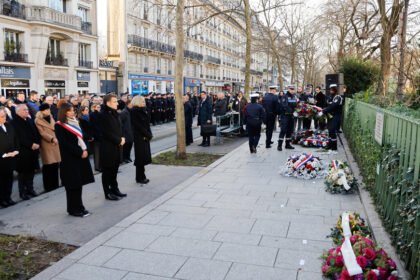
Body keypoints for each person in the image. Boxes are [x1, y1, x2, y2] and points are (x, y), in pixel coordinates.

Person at [55, 103, 93, 217]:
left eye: (73, 111)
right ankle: (73, 209)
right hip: (69, 159)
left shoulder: (76, 122)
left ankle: (80, 206)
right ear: (64, 112)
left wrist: (85, 149)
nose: (73, 113)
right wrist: (80, 152)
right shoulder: (60, 125)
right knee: (72, 185)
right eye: (70, 111)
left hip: (80, 158)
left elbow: (81, 138)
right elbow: (64, 144)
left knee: (79, 184)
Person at [98, 94, 127, 200]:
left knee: (114, 170)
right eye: (115, 101)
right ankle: (108, 192)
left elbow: (120, 127)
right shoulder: (103, 115)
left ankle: (115, 189)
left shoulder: (115, 114)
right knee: (107, 171)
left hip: (117, 146)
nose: (117, 103)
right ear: (108, 103)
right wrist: (119, 140)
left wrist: (123, 137)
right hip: (107, 147)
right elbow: (106, 132)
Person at [12, 104, 40, 200]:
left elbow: (36, 133)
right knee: (23, 173)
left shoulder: (29, 120)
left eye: (27, 109)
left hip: (33, 151)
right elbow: (19, 137)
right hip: (23, 152)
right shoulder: (14, 122)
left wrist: (37, 143)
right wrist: (30, 144)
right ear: (18, 111)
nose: (27, 111)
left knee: (31, 172)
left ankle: (30, 190)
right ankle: (22, 192)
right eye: (24, 110)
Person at [35, 104, 61, 192]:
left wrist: (57, 137)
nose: (48, 111)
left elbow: (55, 127)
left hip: (55, 142)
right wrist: (52, 138)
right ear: (42, 111)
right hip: (47, 143)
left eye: (48, 109)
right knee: (48, 165)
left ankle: (55, 184)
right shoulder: (38, 120)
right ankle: (48, 186)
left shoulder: (51, 117)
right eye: (46, 110)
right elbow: (41, 133)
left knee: (55, 164)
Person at [130, 95, 152, 184]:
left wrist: (149, 134)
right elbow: (138, 126)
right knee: (140, 158)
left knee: (143, 157)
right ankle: (139, 177)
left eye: (144, 101)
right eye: (142, 101)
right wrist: (147, 134)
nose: (144, 103)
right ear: (137, 102)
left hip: (145, 136)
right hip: (139, 137)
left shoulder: (143, 110)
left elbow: (147, 124)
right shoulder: (134, 112)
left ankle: (142, 176)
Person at [0, 107, 19, 207]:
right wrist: (3, 154)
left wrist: (16, 150)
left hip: (11, 157)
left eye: (5, 116)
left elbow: (15, 138)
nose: (5, 118)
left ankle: (8, 198)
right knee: (2, 181)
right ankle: (2, 200)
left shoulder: (9, 125)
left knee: (9, 179)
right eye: (2, 116)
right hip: (1, 159)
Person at [319, 84, 343, 151]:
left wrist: (323, 111)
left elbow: (333, 106)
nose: (331, 90)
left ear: (335, 89)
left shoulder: (338, 97)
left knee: (332, 129)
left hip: (336, 115)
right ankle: (330, 145)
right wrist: (322, 109)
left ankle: (334, 146)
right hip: (330, 116)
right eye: (330, 89)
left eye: (332, 89)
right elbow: (327, 105)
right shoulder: (330, 97)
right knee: (329, 130)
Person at [277, 85, 298, 151]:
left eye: (293, 89)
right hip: (285, 116)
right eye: (291, 89)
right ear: (288, 89)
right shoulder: (284, 96)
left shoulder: (294, 96)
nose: (292, 90)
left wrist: (297, 109)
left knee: (290, 130)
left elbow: (296, 105)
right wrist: (292, 111)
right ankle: (279, 145)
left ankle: (287, 144)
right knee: (283, 130)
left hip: (291, 117)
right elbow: (284, 106)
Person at [120, 98, 134, 163]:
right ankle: (124, 158)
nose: (132, 105)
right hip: (126, 133)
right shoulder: (124, 112)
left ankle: (128, 157)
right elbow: (120, 123)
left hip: (131, 132)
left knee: (130, 146)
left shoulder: (131, 111)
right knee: (125, 147)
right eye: (131, 104)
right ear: (128, 104)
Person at [89, 103, 102, 172]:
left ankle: (100, 166)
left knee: (100, 152)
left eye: (99, 107)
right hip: (96, 136)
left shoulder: (100, 114)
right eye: (97, 107)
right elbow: (93, 126)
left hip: (100, 135)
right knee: (97, 152)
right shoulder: (92, 115)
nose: (99, 108)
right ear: (94, 108)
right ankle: (97, 167)